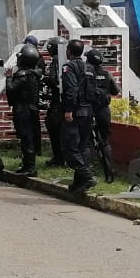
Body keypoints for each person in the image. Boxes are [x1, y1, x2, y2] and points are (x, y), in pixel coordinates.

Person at [60, 40, 97, 195]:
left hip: (75, 111)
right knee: (82, 146)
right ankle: (78, 183)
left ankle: (87, 176)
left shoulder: (69, 66)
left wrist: (68, 110)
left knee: (69, 146)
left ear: (69, 51)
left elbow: (71, 89)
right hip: (88, 111)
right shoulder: (89, 67)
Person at [6, 44, 44, 174]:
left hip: (23, 109)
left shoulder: (22, 75)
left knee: (26, 137)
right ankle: (27, 165)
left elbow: (11, 90)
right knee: (28, 137)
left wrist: (9, 77)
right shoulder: (35, 74)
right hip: (31, 108)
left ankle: (30, 167)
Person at [87, 50, 120, 180]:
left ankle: (88, 173)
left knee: (87, 143)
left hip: (89, 110)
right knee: (105, 142)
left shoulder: (87, 74)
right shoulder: (107, 74)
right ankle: (109, 172)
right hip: (103, 111)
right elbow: (115, 91)